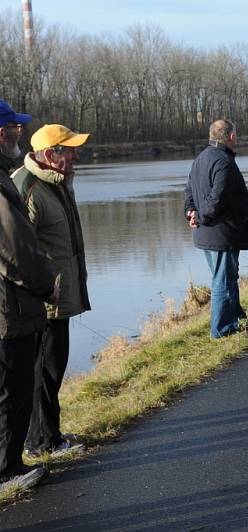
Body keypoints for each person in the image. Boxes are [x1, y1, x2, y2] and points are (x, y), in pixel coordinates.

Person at [12, 124, 89, 459]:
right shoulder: (28, 188)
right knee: (44, 370)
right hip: (43, 302)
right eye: (68, 149)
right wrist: (43, 289)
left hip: (60, 297)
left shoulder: (57, 184)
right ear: (49, 155)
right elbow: (17, 250)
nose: (75, 155)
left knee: (53, 367)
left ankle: (48, 434)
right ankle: (43, 442)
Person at [0, 102, 55, 491]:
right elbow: (15, 249)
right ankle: (6, 471)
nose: (20, 133)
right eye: (15, 128)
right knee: (12, 390)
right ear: (1, 133)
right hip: (9, 309)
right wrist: (45, 283)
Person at [184, 119, 248, 339]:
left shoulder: (200, 159)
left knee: (227, 276)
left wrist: (190, 213)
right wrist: (201, 216)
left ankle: (236, 320)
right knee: (222, 281)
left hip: (208, 233)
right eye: (236, 136)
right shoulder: (223, 161)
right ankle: (221, 330)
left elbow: (188, 192)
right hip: (220, 233)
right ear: (231, 136)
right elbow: (218, 198)